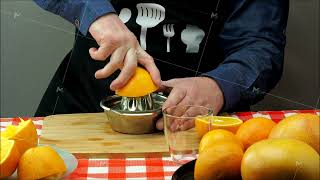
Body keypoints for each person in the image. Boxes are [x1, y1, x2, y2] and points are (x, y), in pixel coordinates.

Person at [33, 0, 289, 130]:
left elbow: (261, 43)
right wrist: (96, 14)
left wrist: (219, 86)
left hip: (194, 127)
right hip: (81, 109)